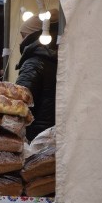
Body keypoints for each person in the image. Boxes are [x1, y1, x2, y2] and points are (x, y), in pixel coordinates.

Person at [16, 9, 59, 141]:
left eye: (24, 35)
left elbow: (19, 104)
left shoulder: (33, 63)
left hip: (35, 134)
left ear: (31, 37)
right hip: (55, 131)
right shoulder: (59, 57)